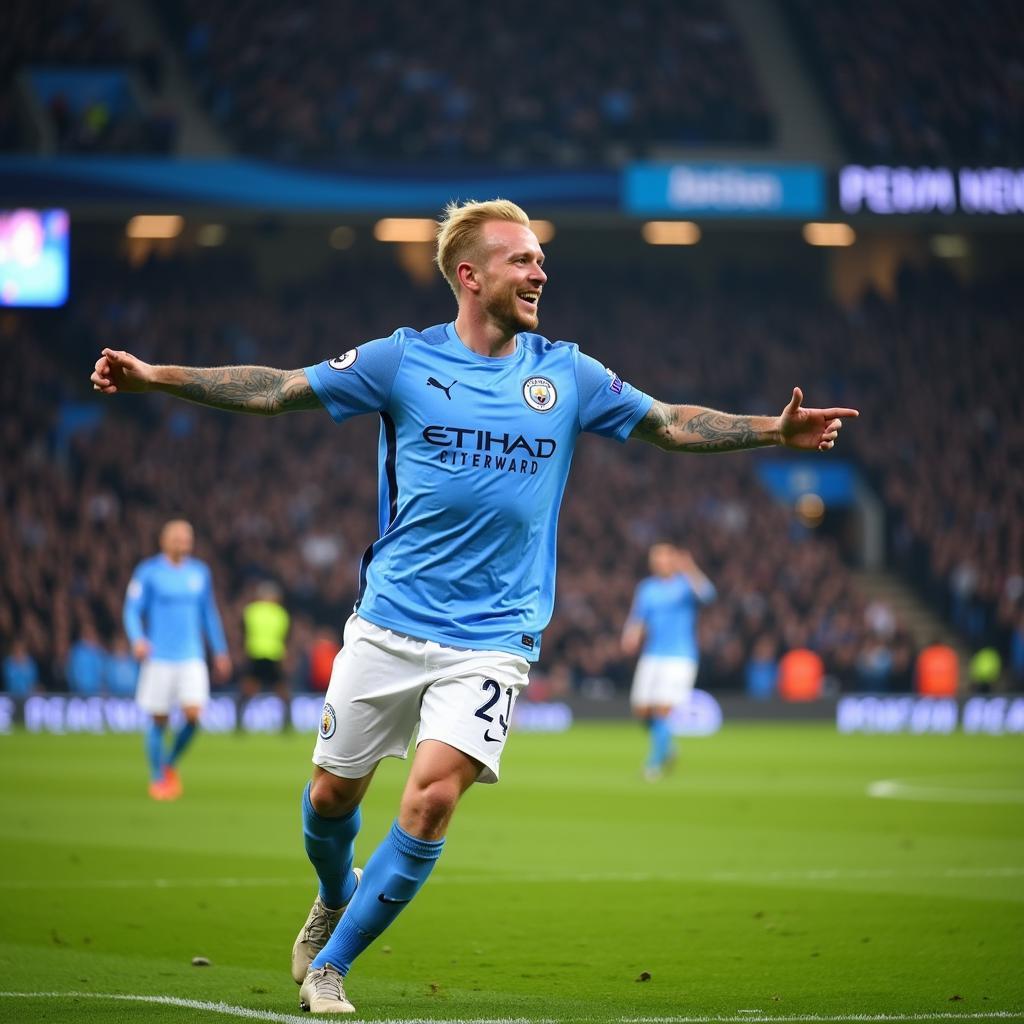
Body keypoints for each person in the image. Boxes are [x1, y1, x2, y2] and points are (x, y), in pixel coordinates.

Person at [91, 198, 858, 1014]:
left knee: (429, 798)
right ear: (471, 275)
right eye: (522, 260)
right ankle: (330, 892)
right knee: (328, 799)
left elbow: (669, 423)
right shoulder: (399, 362)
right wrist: (156, 376)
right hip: (388, 623)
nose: (540, 272)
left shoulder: (567, 373)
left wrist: (771, 433)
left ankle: (333, 967)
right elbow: (280, 389)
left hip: (494, 639)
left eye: (540, 259)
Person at [123, 519, 232, 801]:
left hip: (192, 656)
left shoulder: (200, 572)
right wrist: (137, 638)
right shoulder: (148, 572)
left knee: (194, 717)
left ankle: (168, 763)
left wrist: (219, 650)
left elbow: (209, 614)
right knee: (158, 719)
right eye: (178, 537)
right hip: (159, 656)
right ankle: (158, 779)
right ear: (164, 540)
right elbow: (132, 609)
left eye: (188, 536)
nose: (184, 541)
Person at [622, 543, 716, 780]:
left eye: (664, 557)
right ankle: (669, 747)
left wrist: (690, 567)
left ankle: (654, 763)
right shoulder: (647, 588)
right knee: (642, 710)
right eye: (655, 558)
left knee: (662, 709)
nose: (659, 562)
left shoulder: (685, 585)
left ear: (674, 559)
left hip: (680, 656)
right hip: (652, 654)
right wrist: (631, 635)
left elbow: (708, 595)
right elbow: (638, 617)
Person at [239, 580, 291, 732]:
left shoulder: (251, 611)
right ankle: (286, 725)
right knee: (282, 693)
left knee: (248, 691)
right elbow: (285, 636)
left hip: (256, 654)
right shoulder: (280, 613)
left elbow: (244, 631)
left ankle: (238, 724)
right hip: (273, 655)